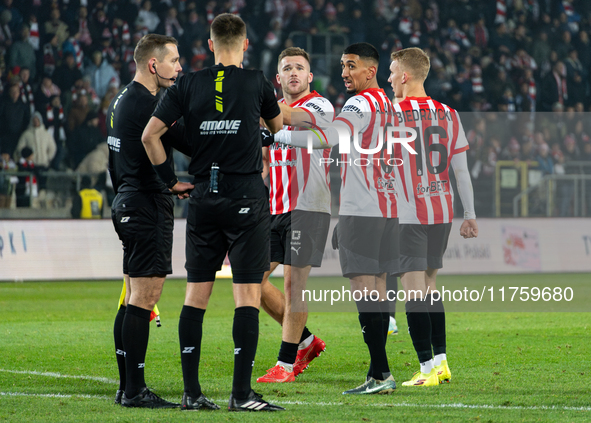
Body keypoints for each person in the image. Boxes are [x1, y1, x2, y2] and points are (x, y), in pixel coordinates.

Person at [142, 13, 284, 412]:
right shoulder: (257, 81)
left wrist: (171, 182)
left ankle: (191, 394)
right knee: (247, 295)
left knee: (195, 296)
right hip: (246, 196)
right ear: (245, 44)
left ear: (208, 45)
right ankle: (241, 395)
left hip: (203, 195)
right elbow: (274, 130)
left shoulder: (187, 83)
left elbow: (150, 135)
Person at [274, 42, 399, 395]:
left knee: (365, 296)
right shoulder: (388, 104)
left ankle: (380, 374)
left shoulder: (359, 103)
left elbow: (328, 136)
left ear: (370, 71)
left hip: (363, 211)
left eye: (351, 66)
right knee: (375, 293)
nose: (344, 72)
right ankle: (379, 373)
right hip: (387, 208)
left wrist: (277, 132)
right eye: (343, 65)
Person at [108, 33, 194, 409]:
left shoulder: (123, 98)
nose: (179, 67)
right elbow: (190, 141)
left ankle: (127, 384)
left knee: (131, 299)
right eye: (174, 60)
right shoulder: (148, 104)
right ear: (153, 64)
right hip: (145, 205)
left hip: (126, 201)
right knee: (144, 298)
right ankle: (134, 391)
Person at [388, 47, 478, 387]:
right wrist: (468, 214)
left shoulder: (392, 114)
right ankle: (440, 363)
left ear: (406, 76)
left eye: (393, 72)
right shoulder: (449, 113)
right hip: (441, 211)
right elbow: (462, 173)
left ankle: (426, 370)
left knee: (413, 293)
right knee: (428, 287)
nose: (389, 78)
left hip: (409, 213)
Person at [255, 47, 332, 384]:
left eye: (300, 68)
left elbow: (299, 124)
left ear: (310, 76)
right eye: (287, 68)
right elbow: (266, 161)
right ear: (278, 78)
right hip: (274, 209)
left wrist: (257, 108)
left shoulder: (319, 104)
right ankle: (305, 340)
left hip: (309, 206)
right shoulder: (270, 113)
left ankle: (285, 365)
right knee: (250, 281)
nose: (294, 73)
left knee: (293, 284)